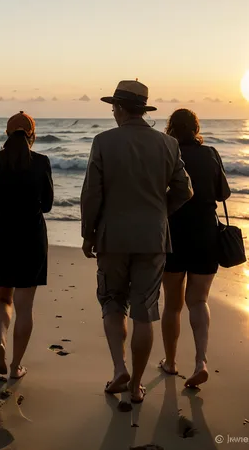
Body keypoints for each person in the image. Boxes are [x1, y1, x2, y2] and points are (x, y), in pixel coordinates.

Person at [80, 81, 193, 403]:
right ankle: (137, 385)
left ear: (118, 108)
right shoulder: (168, 144)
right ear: (142, 109)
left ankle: (119, 368)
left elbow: (92, 193)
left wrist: (88, 233)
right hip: (153, 237)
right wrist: (160, 212)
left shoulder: (103, 141)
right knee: (145, 310)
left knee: (113, 301)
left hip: (111, 236)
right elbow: (185, 190)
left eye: (113, 107)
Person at [160, 108, 231, 388]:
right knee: (199, 301)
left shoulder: (168, 153)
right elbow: (222, 193)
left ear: (171, 128)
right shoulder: (211, 153)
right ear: (196, 128)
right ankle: (201, 361)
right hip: (205, 234)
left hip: (173, 233)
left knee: (173, 304)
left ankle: (170, 362)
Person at [0, 111, 53, 379]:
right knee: (25, 307)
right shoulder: (41, 162)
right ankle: (15, 366)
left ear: (7, 134)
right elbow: (47, 204)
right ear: (32, 135)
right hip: (31, 236)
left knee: (2, 299)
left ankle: (0, 342)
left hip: (0, 233)